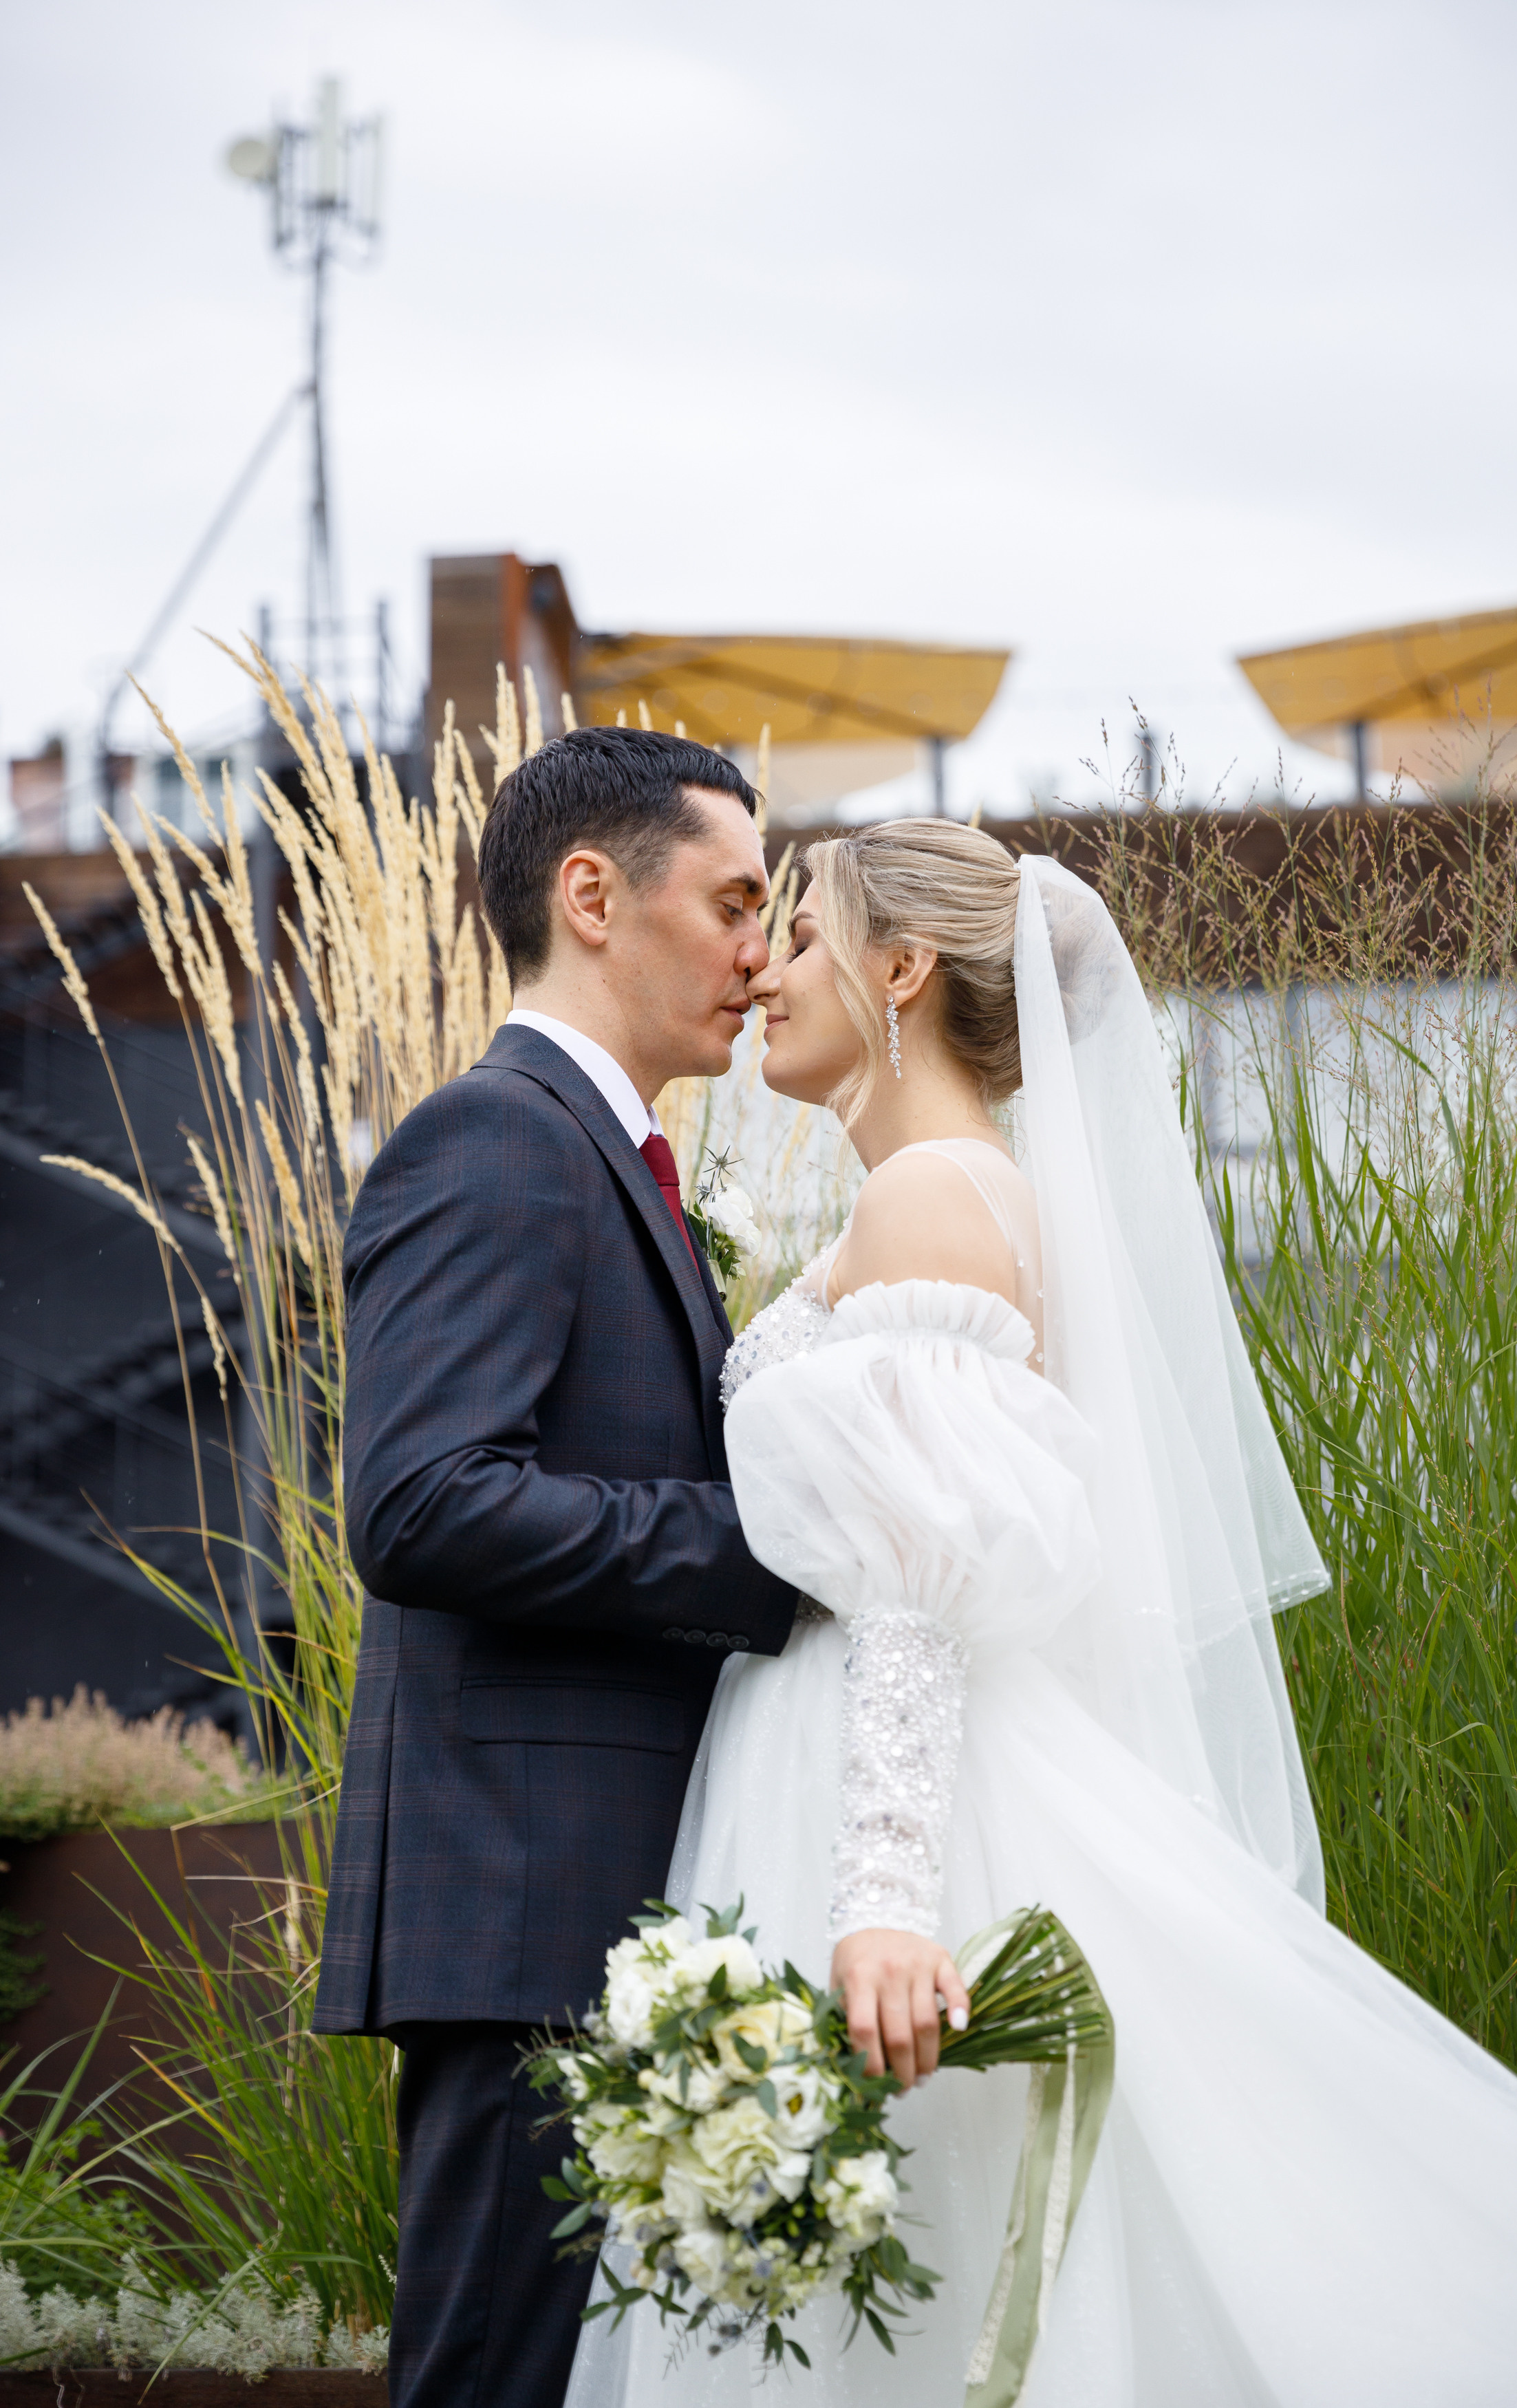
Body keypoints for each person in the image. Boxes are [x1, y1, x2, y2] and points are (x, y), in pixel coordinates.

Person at [563, 819, 1517, 2408]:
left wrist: (885, 1894)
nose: (765, 966)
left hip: (893, 1784)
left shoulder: (930, 1197)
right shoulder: (934, 1195)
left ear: (903, 967)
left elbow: (918, 1581)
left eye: (802, 930)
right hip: (865, 1751)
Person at [312, 728, 798, 2408]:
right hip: (525, 1909)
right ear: (593, 895)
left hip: (606, 1906)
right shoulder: (497, 1137)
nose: (763, 954)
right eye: (734, 903)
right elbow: (424, 1501)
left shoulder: (613, 1159)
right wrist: (772, 1549)